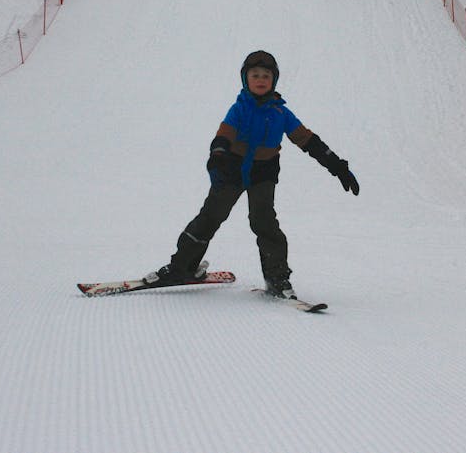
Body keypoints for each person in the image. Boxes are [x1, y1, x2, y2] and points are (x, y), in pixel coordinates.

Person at [146, 50, 359, 299]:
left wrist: (337, 166)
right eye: (255, 75)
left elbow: (308, 141)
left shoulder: (281, 114)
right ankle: (182, 268)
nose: (260, 79)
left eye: (266, 76)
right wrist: (218, 154)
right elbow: (224, 134)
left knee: (264, 221)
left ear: (274, 80)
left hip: (263, 173)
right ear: (245, 79)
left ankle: (277, 278)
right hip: (231, 169)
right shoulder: (239, 109)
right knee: (210, 217)